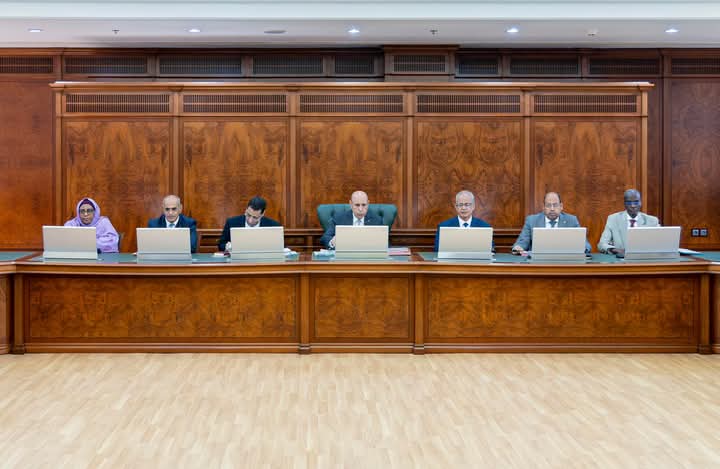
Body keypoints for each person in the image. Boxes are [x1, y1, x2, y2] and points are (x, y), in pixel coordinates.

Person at [512, 191, 590, 255]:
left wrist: (584, 248)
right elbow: (522, 242)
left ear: (561, 206)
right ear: (543, 207)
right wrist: (518, 248)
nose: (552, 209)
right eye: (548, 205)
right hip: (538, 263)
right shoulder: (532, 220)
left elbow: (585, 244)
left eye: (555, 205)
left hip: (565, 262)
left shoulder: (571, 220)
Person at [597, 188, 660, 255]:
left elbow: (660, 243)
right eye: (629, 202)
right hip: (622, 259)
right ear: (624, 203)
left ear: (640, 202)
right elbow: (602, 244)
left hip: (645, 258)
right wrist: (615, 250)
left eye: (636, 202)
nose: (633, 206)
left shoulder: (652, 221)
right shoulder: (613, 219)